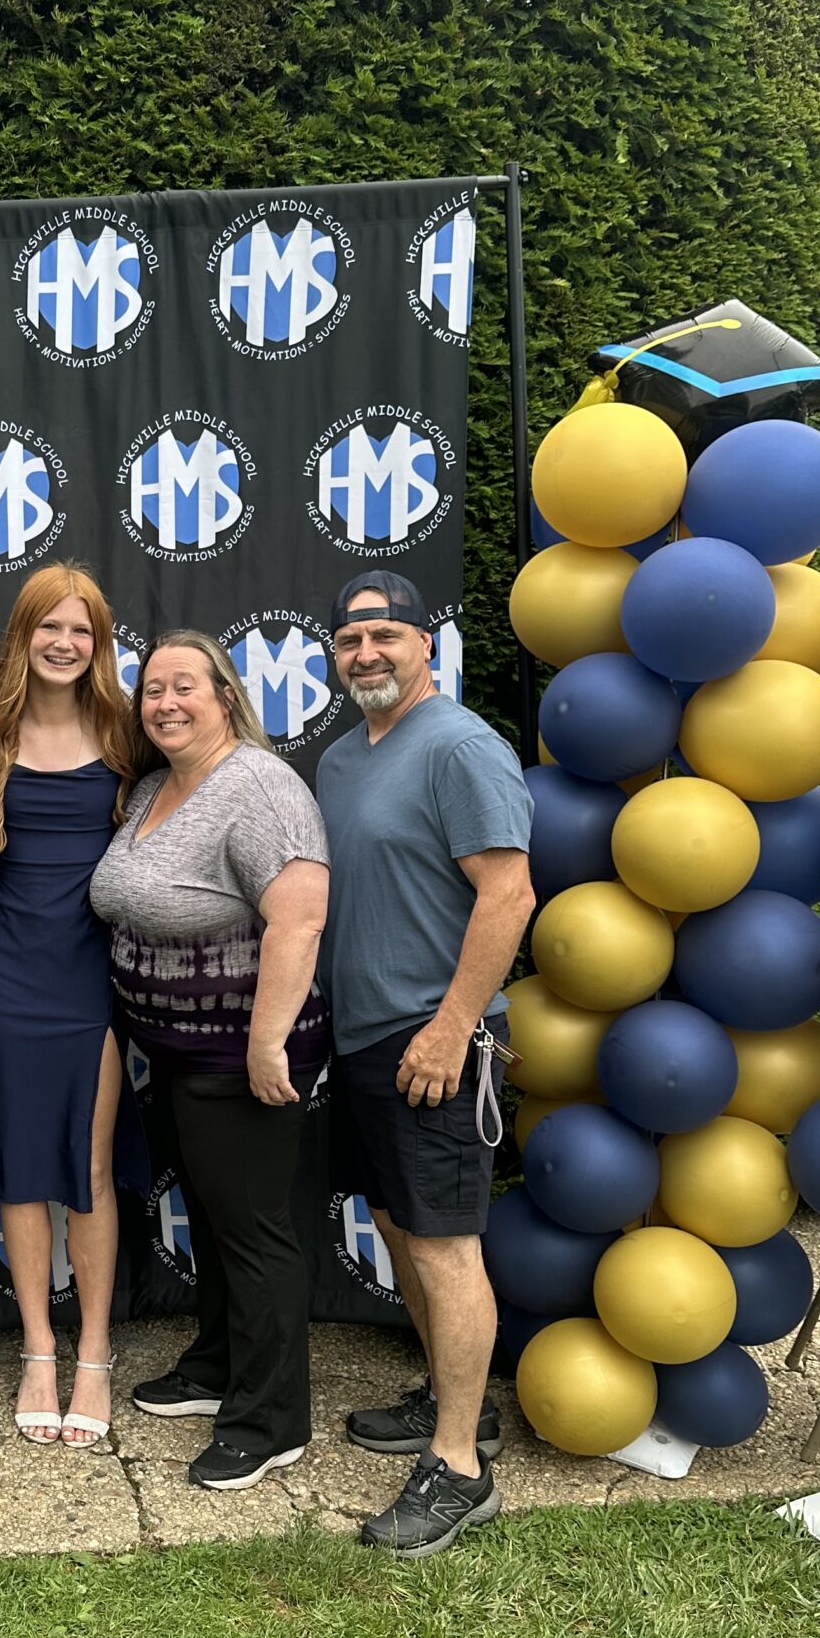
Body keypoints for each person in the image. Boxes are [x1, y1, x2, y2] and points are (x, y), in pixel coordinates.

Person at [314, 569, 535, 1558]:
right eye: (350, 639)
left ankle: (460, 1468)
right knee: (402, 1227)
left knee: (445, 1244)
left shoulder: (460, 746)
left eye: (386, 635)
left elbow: (509, 894)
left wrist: (452, 1028)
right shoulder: (341, 758)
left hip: (435, 1041)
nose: (366, 653)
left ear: (424, 645)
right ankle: (458, 1404)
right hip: (366, 1039)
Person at [90, 632, 329, 1490]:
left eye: (184, 686)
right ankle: (220, 1364)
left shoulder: (258, 786)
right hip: (178, 1057)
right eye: (152, 690)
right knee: (220, 1221)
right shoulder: (157, 785)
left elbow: (300, 917)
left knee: (254, 1232)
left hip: (242, 1058)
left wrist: (266, 1044)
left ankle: (271, 1421)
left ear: (226, 696)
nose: (165, 704)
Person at [0, 565, 146, 1449]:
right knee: (22, 1167)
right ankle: (39, 1345)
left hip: (95, 978)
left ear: (99, 644)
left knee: (90, 1166)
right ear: (22, 635)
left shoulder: (127, 731)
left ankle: (94, 1351)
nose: (65, 643)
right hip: (6, 972)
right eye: (50, 627)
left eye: (83, 630)